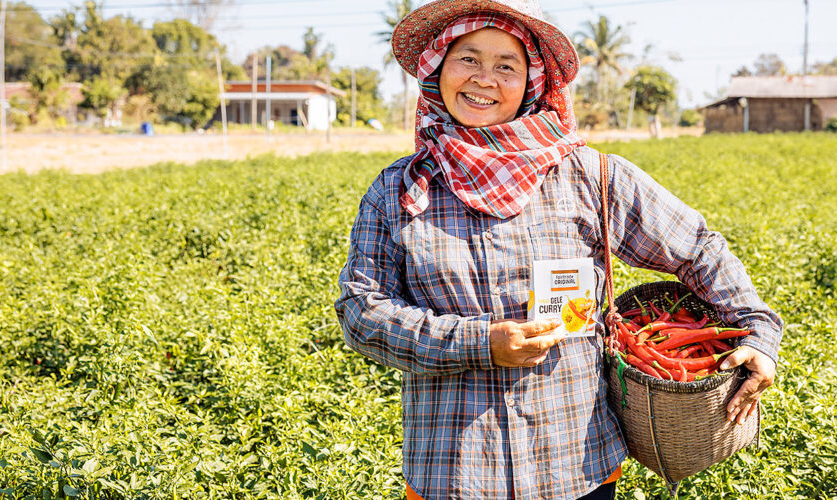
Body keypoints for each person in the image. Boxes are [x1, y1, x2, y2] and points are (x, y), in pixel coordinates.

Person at [335, 1, 783, 498]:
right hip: (454, 472)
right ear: (438, 68)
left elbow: (698, 248)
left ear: (531, 82)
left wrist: (759, 332)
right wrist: (479, 343)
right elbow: (361, 310)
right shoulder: (399, 189)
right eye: (467, 59)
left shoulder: (587, 176)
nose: (484, 78)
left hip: (576, 467)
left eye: (506, 65)